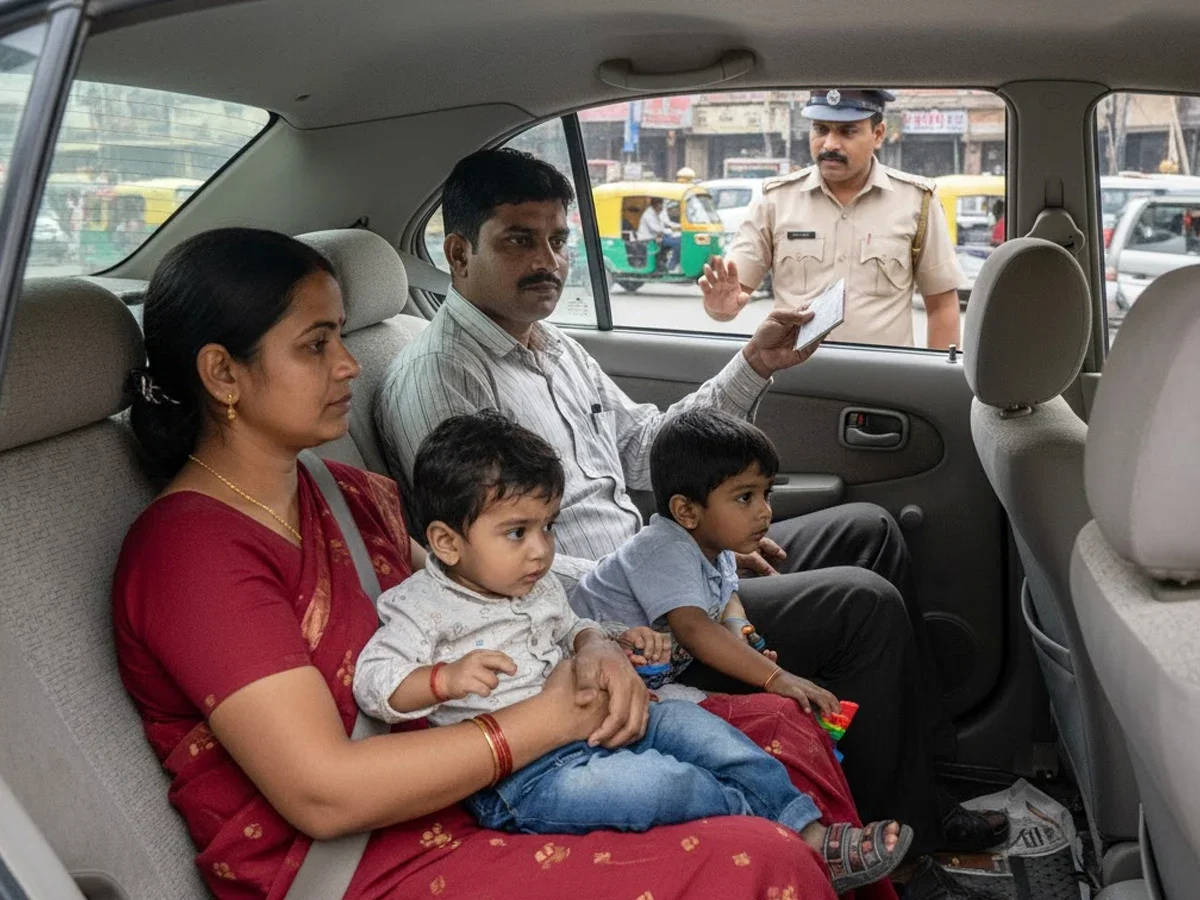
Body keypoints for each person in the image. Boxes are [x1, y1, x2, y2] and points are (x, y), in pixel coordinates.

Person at [112, 226, 896, 900]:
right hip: (367, 860)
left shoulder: (346, 492)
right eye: (317, 345)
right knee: (755, 857)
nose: (349, 365)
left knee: (776, 723)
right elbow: (323, 794)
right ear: (223, 374)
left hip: (476, 770)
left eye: (343, 338)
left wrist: (590, 644)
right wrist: (551, 716)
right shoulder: (193, 556)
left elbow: (489, 597)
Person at [375, 148, 1008, 872]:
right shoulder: (440, 376)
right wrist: (674, 554)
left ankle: (928, 791)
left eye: (557, 238)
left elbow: (650, 448)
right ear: (459, 253)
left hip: (652, 562)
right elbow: (496, 562)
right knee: (861, 605)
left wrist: (754, 366)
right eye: (519, 239)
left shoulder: (553, 348)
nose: (547, 259)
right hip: (606, 615)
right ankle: (912, 857)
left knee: (870, 531)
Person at [354, 410, 911, 893]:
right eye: (518, 533)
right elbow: (374, 678)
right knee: (671, 785)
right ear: (447, 542)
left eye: (548, 527)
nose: (543, 551)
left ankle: (815, 833)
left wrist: (606, 638)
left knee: (719, 742)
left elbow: (572, 626)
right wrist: (442, 680)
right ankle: (783, 834)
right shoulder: (421, 605)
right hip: (527, 777)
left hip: (609, 713)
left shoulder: (537, 584)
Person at [573, 408, 840, 714]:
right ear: (686, 511)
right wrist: (775, 678)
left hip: (653, 675)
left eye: (767, 493)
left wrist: (736, 626)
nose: (765, 511)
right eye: (745, 498)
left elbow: (726, 594)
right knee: (765, 711)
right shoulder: (664, 548)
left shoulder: (716, 548)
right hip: (595, 681)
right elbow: (694, 629)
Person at [700, 90, 964, 350]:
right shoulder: (776, 200)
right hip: (794, 380)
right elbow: (733, 293)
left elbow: (941, 304)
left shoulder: (916, 201)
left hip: (883, 383)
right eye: (821, 129)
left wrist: (936, 387)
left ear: (878, 134)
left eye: (847, 131)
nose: (829, 144)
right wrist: (719, 307)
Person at [637, 196, 681, 271]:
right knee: (678, 244)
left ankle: (669, 262)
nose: (662, 207)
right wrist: (671, 230)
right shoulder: (649, 214)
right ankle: (671, 267)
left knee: (680, 239)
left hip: (657, 237)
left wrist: (678, 227)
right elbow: (657, 229)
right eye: (661, 205)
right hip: (648, 240)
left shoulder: (656, 212)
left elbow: (666, 223)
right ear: (656, 205)